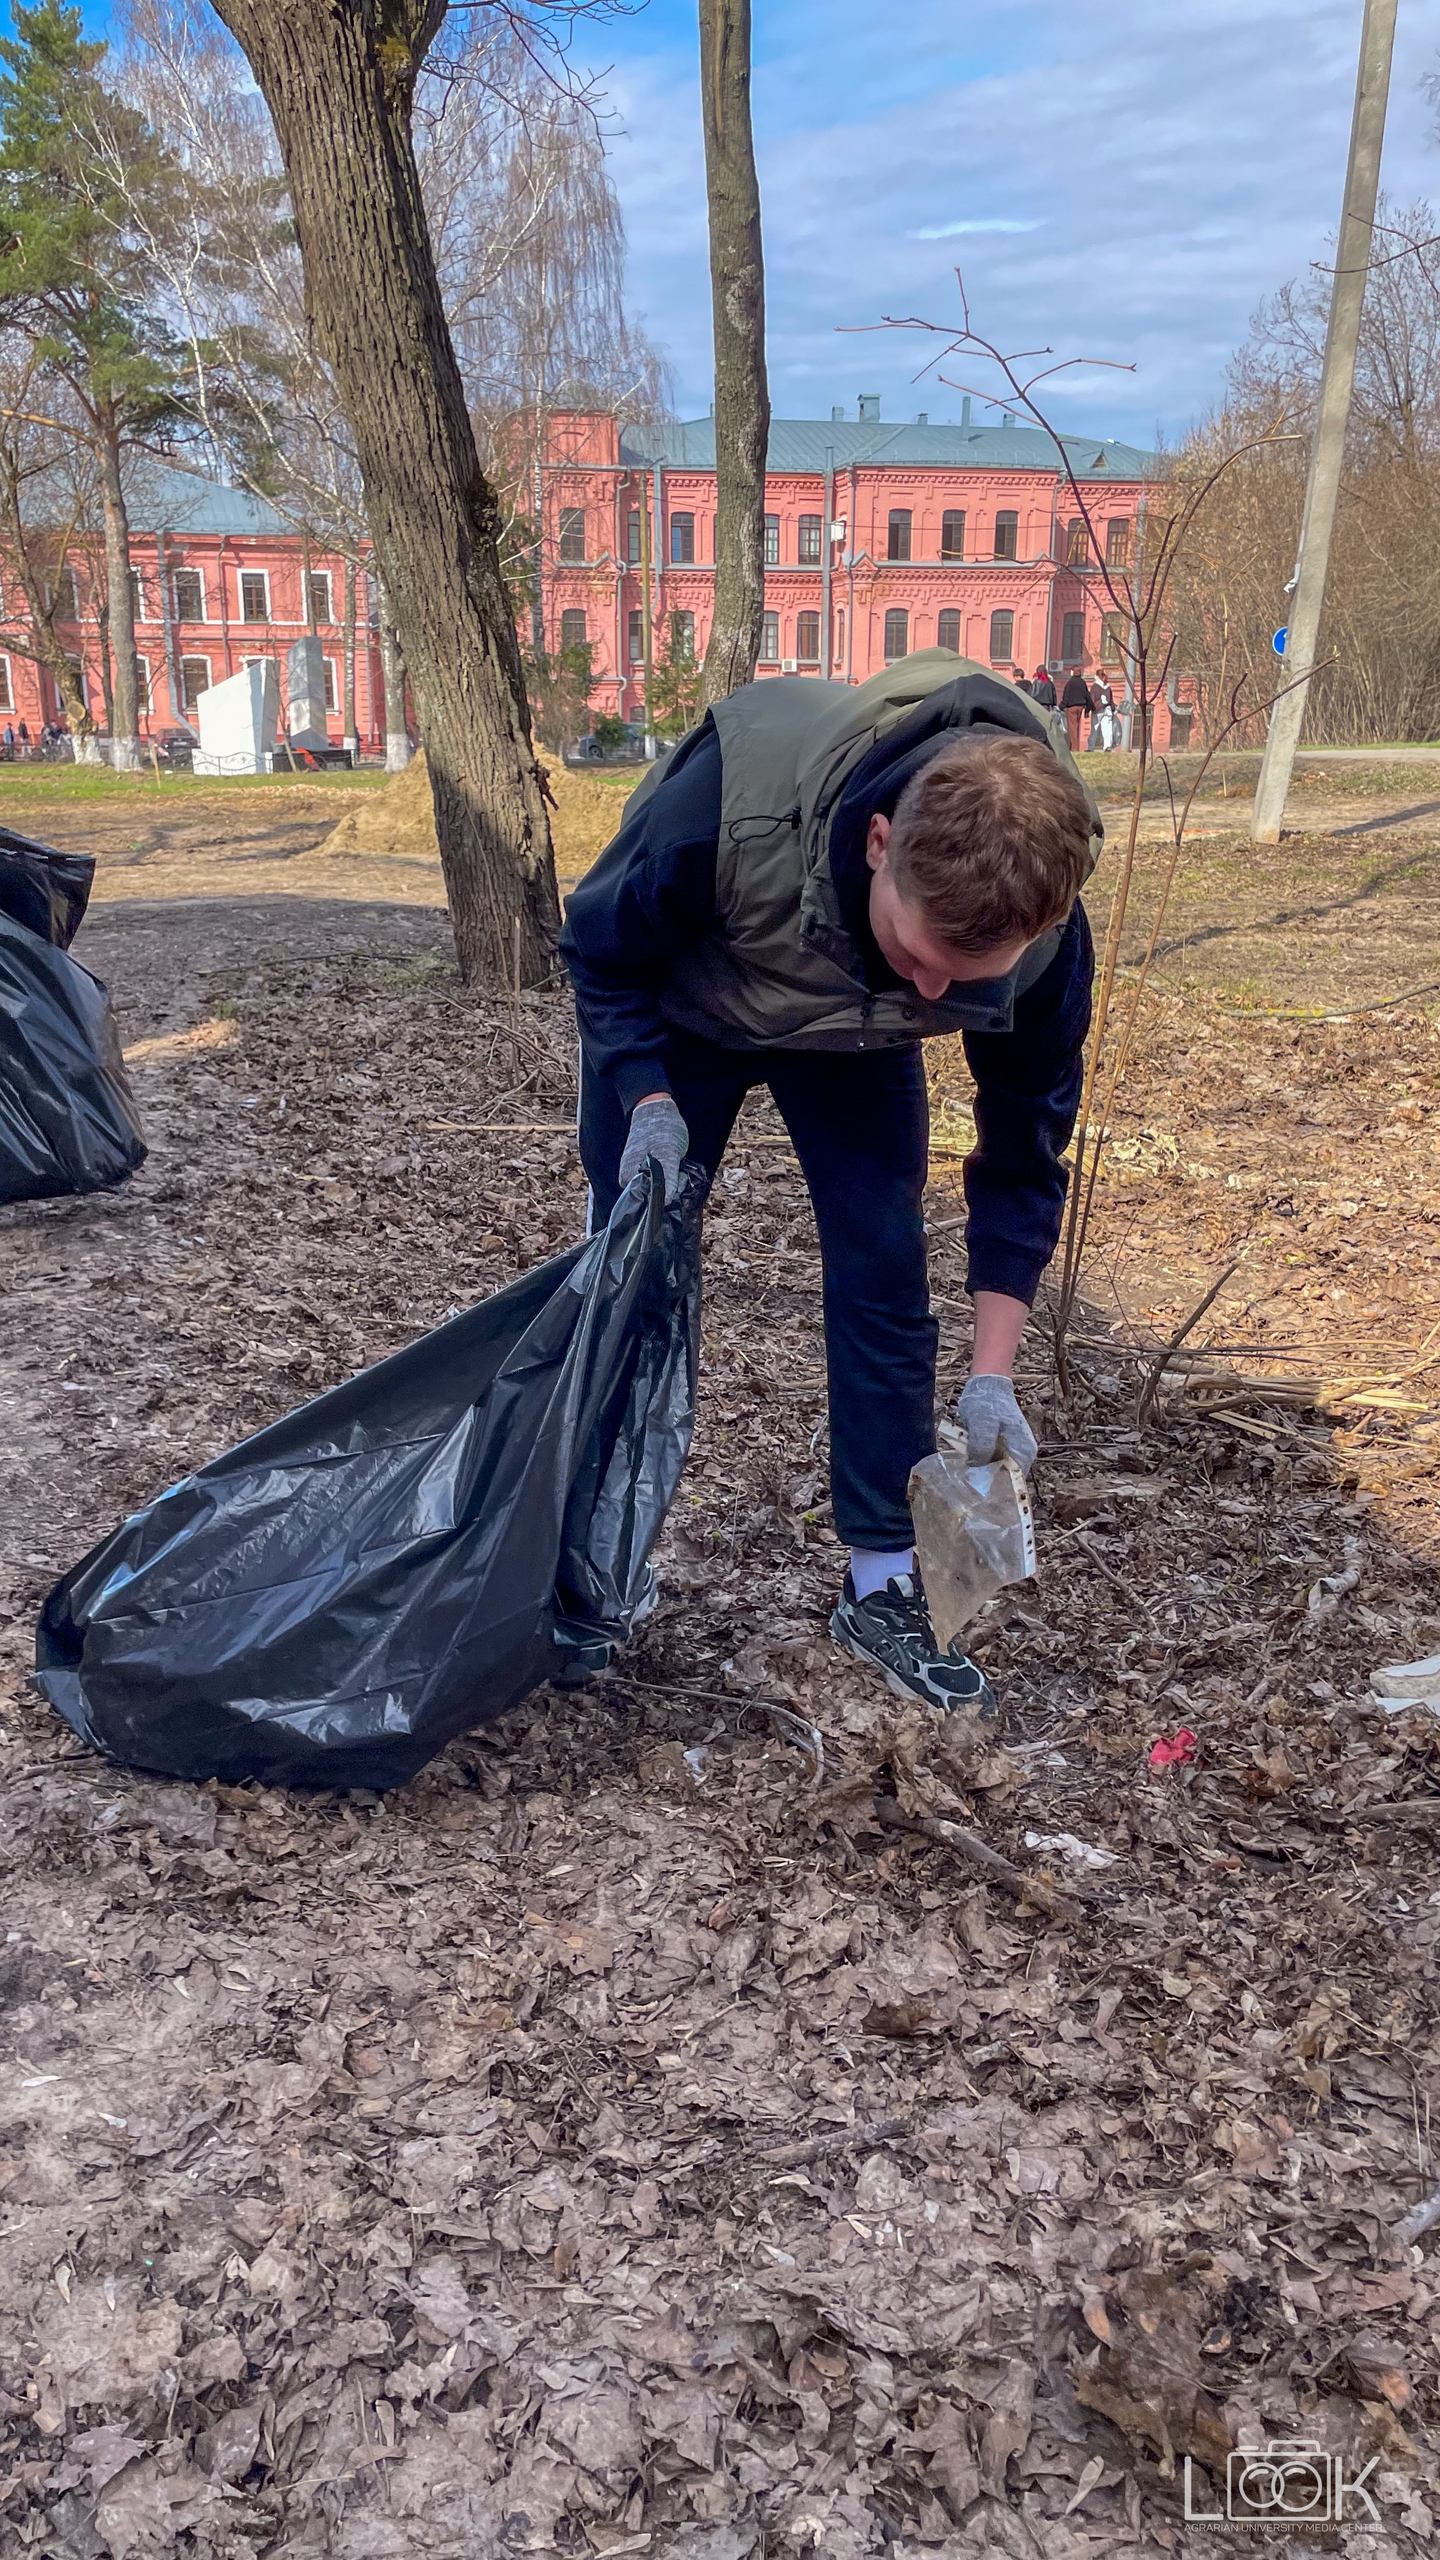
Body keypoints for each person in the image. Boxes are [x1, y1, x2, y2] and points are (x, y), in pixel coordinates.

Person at [561, 650, 1101, 1715]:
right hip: (687, 1007)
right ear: (878, 842)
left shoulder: (1040, 937)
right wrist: (647, 1103)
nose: (935, 989)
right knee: (632, 1269)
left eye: (966, 979)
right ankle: (577, 1560)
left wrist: (993, 1375)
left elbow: (1023, 1148)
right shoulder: (723, 809)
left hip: (855, 1035)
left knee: (884, 1268)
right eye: (920, 949)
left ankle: (882, 1583)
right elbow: (602, 949)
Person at [1060, 668, 1094, 753]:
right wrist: (1088, 708)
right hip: (1081, 707)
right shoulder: (1083, 683)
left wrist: (1060, 707)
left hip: (1071, 707)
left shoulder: (1070, 683)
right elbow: (1087, 695)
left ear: (1072, 672)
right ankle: (1076, 747)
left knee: (1072, 728)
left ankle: (1074, 748)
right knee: (1077, 727)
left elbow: (1066, 697)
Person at [1088, 672, 1117, 750]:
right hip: (1107, 709)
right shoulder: (1108, 686)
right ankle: (1107, 746)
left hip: (1097, 710)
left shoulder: (1095, 686)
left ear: (1097, 676)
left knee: (1094, 729)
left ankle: (1091, 747)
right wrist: (1113, 709)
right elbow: (1111, 700)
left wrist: (1089, 709)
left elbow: (1092, 699)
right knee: (1107, 729)